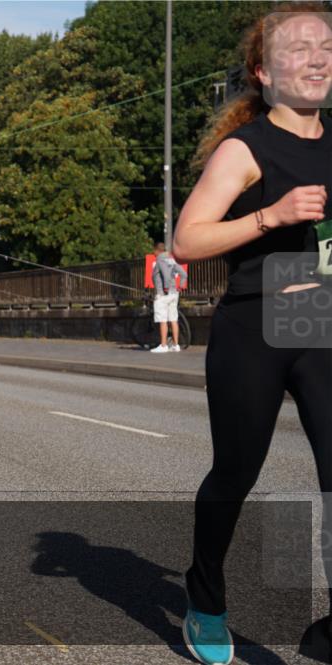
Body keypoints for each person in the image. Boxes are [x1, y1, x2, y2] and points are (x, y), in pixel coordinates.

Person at [172, 5, 331, 664]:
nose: (319, 57)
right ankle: (205, 597)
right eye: (299, 49)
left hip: (320, 317)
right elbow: (188, 239)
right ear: (264, 73)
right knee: (236, 470)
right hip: (258, 319)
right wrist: (270, 214)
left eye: (327, 45)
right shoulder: (247, 148)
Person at [150, 242, 188, 353]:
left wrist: (165, 288)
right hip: (174, 293)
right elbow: (183, 274)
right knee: (173, 319)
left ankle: (163, 345)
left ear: (157, 250)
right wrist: (180, 286)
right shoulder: (171, 259)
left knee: (163, 320)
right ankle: (176, 345)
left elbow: (165, 275)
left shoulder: (160, 259)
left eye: (154, 251)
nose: (153, 253)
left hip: (163, 294)